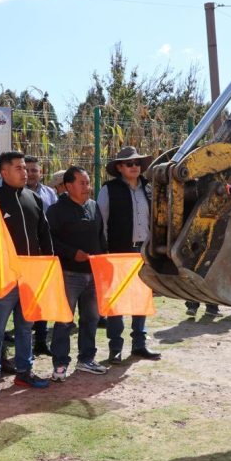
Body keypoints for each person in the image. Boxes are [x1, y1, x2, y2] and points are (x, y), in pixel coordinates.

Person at [0, 151, 54, 395]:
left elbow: (44, 235)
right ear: (4, 172)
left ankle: (24, 373)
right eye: (19, 168)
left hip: (31, 277)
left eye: (25, 168)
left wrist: (48, 268)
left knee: (25, 327)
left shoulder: (34, 198)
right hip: (3, 279)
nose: (25, 172)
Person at [97, 146, 161, 363]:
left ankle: (139, 344)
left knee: (141, 298)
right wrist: (105, 250)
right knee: (117, 301)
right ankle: (115, 347)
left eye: (137, 163)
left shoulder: (149, 189)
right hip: (118, 252)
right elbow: (101, 222)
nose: (135, 167)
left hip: (144, 252)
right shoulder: (109, 190)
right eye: (129, 164)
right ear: (120, 167)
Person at [46, 166, 108, 381]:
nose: (87, 187)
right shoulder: (56, 211)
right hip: (68, 275)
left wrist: (103, 262)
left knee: (91, 319)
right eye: (82, 183)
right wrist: (73, 253)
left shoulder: (93, 207)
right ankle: (60, 363)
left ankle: (86, 359)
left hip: (93, 275)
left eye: (88, 182)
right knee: (64, 320)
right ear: (68, 185)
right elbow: (50, 241)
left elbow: (101, 238)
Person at [24, 156, 58, 357]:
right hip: (25, 255)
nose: (30, 173)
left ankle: (41, 341)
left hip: (44, 254)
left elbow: (51, 223)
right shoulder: (17, 194)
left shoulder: (50, 193)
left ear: (41, 172)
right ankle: (24, 343)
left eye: (34, 170)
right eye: (26, 169)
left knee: (42, 301)